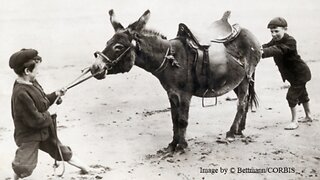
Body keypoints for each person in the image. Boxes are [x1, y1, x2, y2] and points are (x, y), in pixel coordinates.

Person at [9, 48, 102, 179]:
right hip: (29, 134)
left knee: (61, 151)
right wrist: (49, 114)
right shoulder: (20, 93)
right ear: (27, 71)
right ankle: (14, 177)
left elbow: (42, 102)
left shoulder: (31, 82)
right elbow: (35, 120)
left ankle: (86, 168)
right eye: (36, 70)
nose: (38, 72)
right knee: (24, 166)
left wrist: (55, 94)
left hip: (44, 130)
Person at [261, 17, 312, 130]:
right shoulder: (275, 40)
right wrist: (257, 48)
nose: (273, 34)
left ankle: (294, 121)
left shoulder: (290, 41)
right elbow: (267, 46)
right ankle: (308, 116)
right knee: (303, 94)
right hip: (293, 75)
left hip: (300, 74)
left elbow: (278, 50)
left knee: (291, 96)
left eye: (276, 31)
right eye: (271, 32)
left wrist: (262, 52)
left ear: (285, 29)